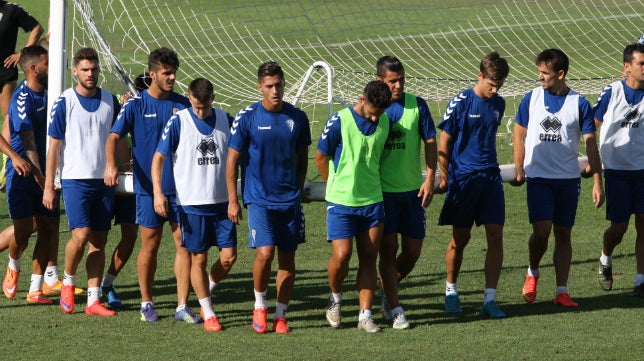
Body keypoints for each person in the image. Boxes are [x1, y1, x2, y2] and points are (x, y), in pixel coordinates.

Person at [104, 47, 195, 323]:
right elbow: (113, 137)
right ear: (152, 74)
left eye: (174, 73)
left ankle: (182, 305)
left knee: (183, 244)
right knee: (150, 244)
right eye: (166, 73)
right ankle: (146, 303)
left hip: (181, 188)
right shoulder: (135, 105)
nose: (172, 78)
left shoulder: (183, 104)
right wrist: (111, 164)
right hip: (148, 189)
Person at [512, 48, 604, 308]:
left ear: (560, 74)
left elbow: (590, 146)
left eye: (545, 72)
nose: (539, 77)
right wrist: (519, 167)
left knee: (564, 233)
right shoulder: (531, 99)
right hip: (539, 178)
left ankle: (561, 290)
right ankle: (532, 271)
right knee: (541, 232)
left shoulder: (580, 104)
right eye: (539, 71)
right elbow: (518, 134)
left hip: (567, 180)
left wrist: (597, 181)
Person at [227, 61, 310, 334]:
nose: (275, 91)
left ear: (284, 83)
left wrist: (298, 189)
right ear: (260, 87)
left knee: (288, 259)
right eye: (269, 86)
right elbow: (233, 159)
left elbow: (301, 158)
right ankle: (260, 306)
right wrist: (233, 199)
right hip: (259, 199)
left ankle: (280, 315)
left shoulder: (297, 118)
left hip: (290, 200)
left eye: (279, 85)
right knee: (265, 253)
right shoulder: (247, 117)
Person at [152, 78, 237, 332]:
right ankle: (208, 312)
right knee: (198, 258)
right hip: (191, 204)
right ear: (189, 97)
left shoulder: (226, 119)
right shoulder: (179, 122)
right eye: (197, 106)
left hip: (222, 204)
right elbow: (158, 158)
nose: (201, 111)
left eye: (205, 106)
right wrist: (158, 192)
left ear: (213, 97)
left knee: (229, 257)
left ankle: (205, 290)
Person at [42, 47, 120, 316]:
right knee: (81, 235)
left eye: (94, 69)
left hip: (104, 182)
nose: (90, 74)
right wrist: (49, 185)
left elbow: (118, 140)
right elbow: (54, 146)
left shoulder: (111, 101)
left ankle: (93, 300)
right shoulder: (64, 102)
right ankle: (67, 281)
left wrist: (119, 168)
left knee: (99, 240)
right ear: (74, 71)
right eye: (85, 69)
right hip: (75, 180)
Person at [436, 51, 509, 318]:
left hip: (490, 178)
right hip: (464, 179)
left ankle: (490, 299)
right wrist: (446, 177)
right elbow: (444, 142)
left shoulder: (498, 104)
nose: (494, 90)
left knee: (495, 235)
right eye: (491, 84)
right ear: (480, 76)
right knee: (460, 238)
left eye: (499, 86)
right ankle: (451, 292)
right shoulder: (461, 102)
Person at [316, 80, 392, 333]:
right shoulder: (340, 121)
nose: (374, 118)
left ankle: (365, 316)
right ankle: (335, 298)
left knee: (369, 257)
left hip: (372, 202)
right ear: (361, 99)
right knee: (342, 255)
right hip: (341, 203)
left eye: (378, 114)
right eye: (371, 112)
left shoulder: (385, 122)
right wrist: (333, 186)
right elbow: (320, 156)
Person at [375, 55, 437, 329]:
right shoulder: (375, 108)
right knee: (388, 250)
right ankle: (394, 305)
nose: (398, 85)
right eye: (392, 81)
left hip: (413, 193)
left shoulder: (417, 105)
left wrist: (430, 177)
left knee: (412, 252)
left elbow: (431, 141)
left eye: (401, 79)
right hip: (384, 194)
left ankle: (387, 287)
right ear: (380, 81)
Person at [1, 45, 57, 304]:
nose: (52, 66)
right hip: (24, 174)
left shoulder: (54, 91)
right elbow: (29, 141)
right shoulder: (22, 99)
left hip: (48, 171)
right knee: (23, 232)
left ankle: (35, 289)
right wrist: (41, 178)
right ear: (34, 68)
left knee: (47, 226)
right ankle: (13, 264)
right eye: (47, 62)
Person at [593, 42, 644, 296]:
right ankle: (605, 258)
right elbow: (591, 126)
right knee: (619, 228)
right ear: (627, 67)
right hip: (617, 172)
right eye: (641, 64)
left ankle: (640, 280)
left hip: (642, 170)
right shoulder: (612, 92)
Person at [100, 73, 151, 310]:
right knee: (96, 239)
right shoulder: (123, 108)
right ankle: (88, 289)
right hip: (106, 181)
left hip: (130, 184)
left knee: (130, 236)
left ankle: (107, 284)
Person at [0, 1, 43, 191]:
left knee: (10, 120)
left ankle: (6, 166)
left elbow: (36, 28)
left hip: (4, 73)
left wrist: (22, 53)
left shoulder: (11, 9)